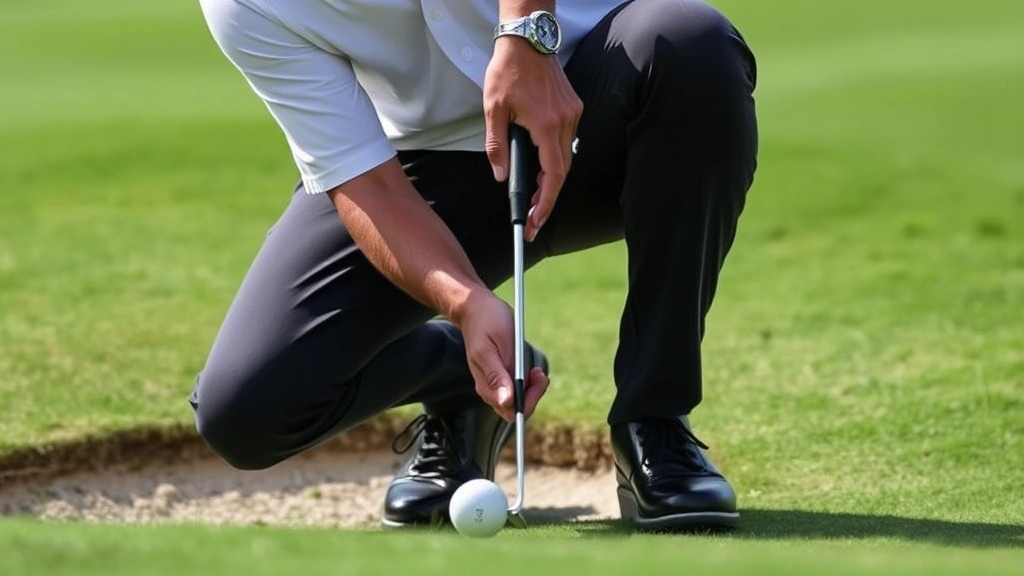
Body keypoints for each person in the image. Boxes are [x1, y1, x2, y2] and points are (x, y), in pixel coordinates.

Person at [191, 0, 758, 531]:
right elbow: (367, 184)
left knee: (690, 45)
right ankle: (461, 376)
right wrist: (465, 303)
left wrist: (525, 34)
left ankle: (654, 423)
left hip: (597, 100)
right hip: (419, 176)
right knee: (246, 411)